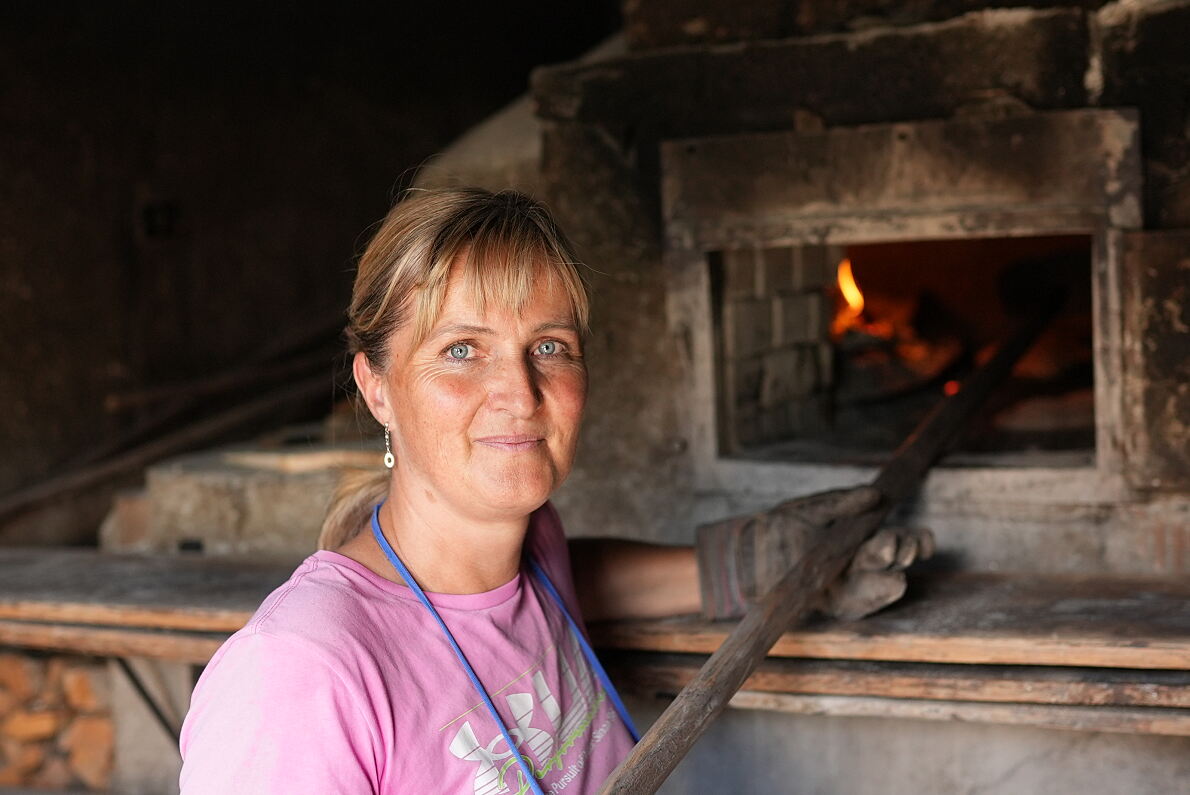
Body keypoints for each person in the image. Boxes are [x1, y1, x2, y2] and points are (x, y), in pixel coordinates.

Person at [178, 188, 931, 794]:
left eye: (549, 347)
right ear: (376, 386)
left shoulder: (534, 543)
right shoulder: (298, 676)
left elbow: (556, 589)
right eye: (462, 349)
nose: (520, 392)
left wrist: (749, 559)